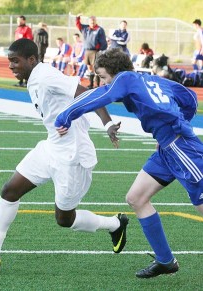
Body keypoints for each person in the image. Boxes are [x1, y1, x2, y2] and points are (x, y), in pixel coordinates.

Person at [0, 40, 128, 273]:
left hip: (72, 156)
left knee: (64, 219)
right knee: (10, 191)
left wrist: (107, 123)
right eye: (9, 61)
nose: (11, 66)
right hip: (50, 147)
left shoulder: (45, 75)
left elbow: (86, 93)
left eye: (15, 61)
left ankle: (115, 224)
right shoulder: (34, 79)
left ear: (31, 60)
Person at [55, 48, 203, 279]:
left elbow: (97, 96)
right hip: (167, 148)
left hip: (183, 149)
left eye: (103, 76)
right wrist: (174, 125)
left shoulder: (124, 79)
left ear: (115, 72)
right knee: (136, 198)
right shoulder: (147, 78)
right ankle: (166, 261)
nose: (102, 81)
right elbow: (189, 98)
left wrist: (64, 116)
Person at [76, 14, 107, 89]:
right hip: (87, 51)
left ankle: (98, 84)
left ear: (96, 21)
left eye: (93, 20)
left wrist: (100, 49)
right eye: (91, 21)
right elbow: (78, 25)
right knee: (89, 68)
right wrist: (77, 18)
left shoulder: (99, 29)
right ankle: (91, 84)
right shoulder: (85, 28)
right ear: (89, 21)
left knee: (96, 67)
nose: (92, 22)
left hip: (95, 51)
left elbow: (103, 41)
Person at [14, 15, 33, 87]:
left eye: (20, 20)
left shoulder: (27, 29)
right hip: (18, 50)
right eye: (17, 20)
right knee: (18, 67)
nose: (18, 22)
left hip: (24, 51)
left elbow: (29, 39)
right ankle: (20, 81)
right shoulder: (17, 29)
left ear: (24, 21)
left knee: (25, 66)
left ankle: (26, 82)